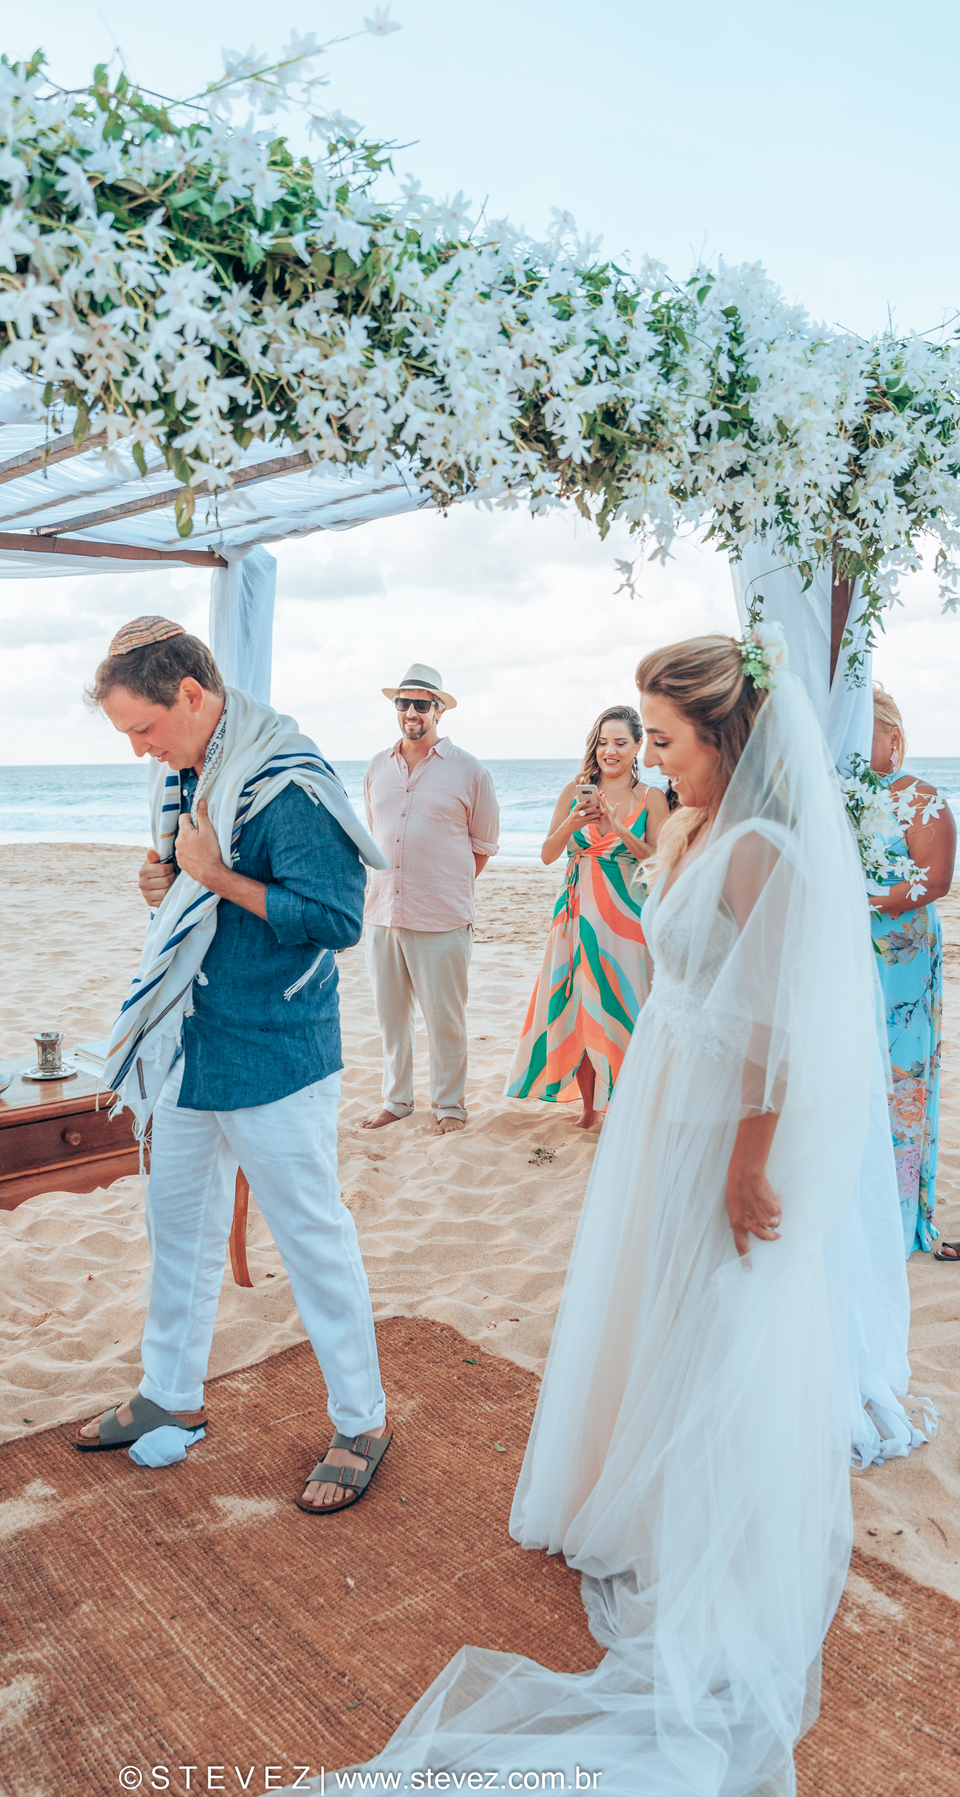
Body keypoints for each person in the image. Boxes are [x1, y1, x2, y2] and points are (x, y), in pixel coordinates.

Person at [334, 632, 881, 1794]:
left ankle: (694, 1526)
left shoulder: (765, 851)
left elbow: (779, 1033)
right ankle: (626, 1491)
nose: (658, 758)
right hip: (656, 1094)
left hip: (715, 1120)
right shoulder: (690, 827)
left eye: (671, 739)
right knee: (645, 1290)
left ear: (724, 735)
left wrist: (747, 1164)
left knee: (705, 1304)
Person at [77, 618, 391, 1515]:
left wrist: (210, 877)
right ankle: (170, 1391)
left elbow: (336, 919)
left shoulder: (288, 782)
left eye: (143, 727)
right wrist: (169, 882)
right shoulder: (189, 772)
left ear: (191, 694)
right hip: (192, 1039)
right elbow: (187, 876)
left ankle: (363, 1418)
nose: (138, 748)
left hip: (278, 1046)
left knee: (310, 1238)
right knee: (178, 1229)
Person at [506, 705, 667, 1127]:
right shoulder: (575, 790)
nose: (609, 751)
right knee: (578, 1006)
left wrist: (621, 826)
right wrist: (573, 822)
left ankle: (630, 1104)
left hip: (626, 918)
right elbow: (546, 855)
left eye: (620, 743)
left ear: (637, 747)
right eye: (602, 742)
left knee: (624, 1005)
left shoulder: (651, 798)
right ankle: (589, 1111)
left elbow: (662, 861)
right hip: (575, 916)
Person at [360, 662, 499, 1137]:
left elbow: (482, 847)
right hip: (381, 912)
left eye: (422, 703)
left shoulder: (470, 771)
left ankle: (450, 1107)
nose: (411, 711)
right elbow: (375, 834)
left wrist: (440, 883)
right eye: (404, 703)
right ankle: (396, 1101)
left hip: (441, 916)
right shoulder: (377, 767)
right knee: (391, 1019)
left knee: (445, 1020)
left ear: (439, 710)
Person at [864, 685, 956, 1259]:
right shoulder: (840, 796)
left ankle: (898, 1214)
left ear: (892, 739)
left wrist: (863, 899)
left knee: (901, 1074)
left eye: (861, 736)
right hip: (843, 947)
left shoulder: (920, 798)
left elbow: (936, 881)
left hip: (901, 955)